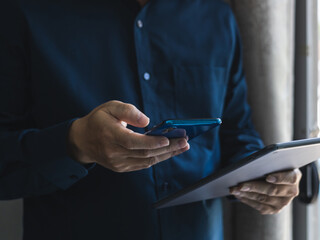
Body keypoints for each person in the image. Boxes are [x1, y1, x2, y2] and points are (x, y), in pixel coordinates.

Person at [0, 0, 301, 239]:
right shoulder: (23, 9)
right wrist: (77, 144)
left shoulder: (216, 16)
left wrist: (267, 177)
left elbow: (236, 131)